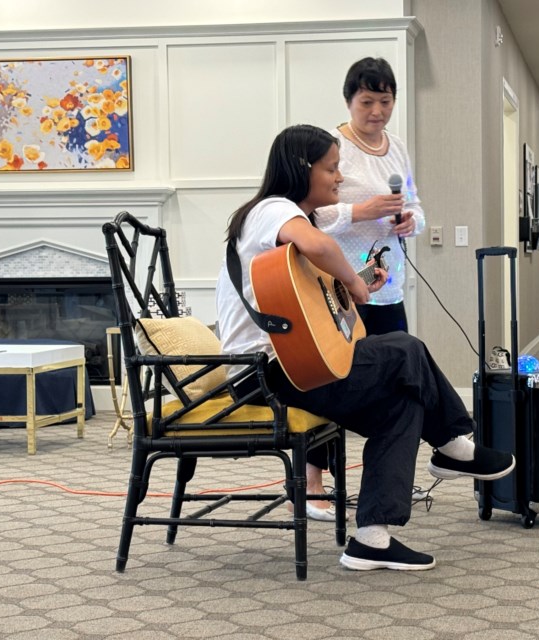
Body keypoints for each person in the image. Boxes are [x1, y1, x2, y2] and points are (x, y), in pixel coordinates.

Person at [215, 124, 515, 571]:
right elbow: (317, 244)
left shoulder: (293, 226)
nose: (339, 178)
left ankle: (371, 538)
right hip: (263, 377)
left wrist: (348, 289)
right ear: (303, 169)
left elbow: (316, 314)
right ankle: (455, 443)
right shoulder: (271, 210)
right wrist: (354, 283)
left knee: (404, 404)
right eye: (332, 168)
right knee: (406, 349)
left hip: (294, 368)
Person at [304, 57, 426, 520]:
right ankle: (313, 481)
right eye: (367, 101)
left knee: (398, 382)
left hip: (386, 284)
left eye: (386, 101)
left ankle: (387, 483)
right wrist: (364, 210)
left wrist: (410, 221)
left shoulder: (397, 148)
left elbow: (414, 203)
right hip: (336, 287)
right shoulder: (332, 146)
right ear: (349, 101)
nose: (377, 111)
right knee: (336, 382)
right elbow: (310, 215)